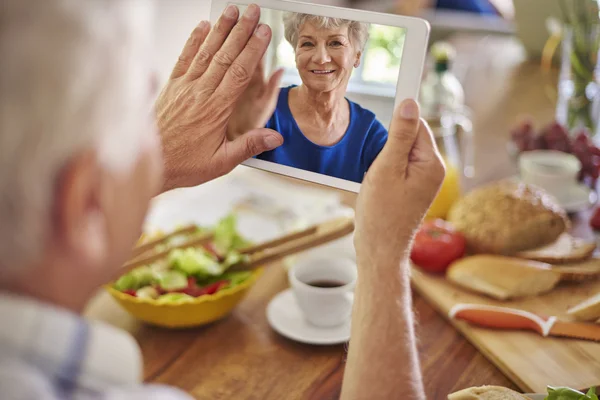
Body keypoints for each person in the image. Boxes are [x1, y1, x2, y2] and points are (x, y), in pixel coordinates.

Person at [0, 2, 444, 400]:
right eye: (140, 113)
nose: (162, 121)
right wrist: (386, 253)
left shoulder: (368, 130)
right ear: (86, 197)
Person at [228, 13, 388, 183]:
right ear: (296, 54)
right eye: (307, 44)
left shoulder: (370, 132)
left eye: (335, 43)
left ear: (357, 56)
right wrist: (238, 133)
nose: (320, 58)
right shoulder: (264, 108)